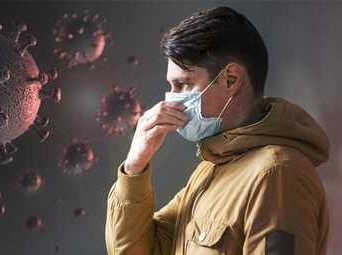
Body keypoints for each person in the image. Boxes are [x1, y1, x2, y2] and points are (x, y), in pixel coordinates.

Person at [105, 6, 330, 255]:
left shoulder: (277, 173)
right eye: (172, 86)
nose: (170, 101)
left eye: (183, 84)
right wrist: (135, 167)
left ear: (231, 79)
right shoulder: (212, 169)